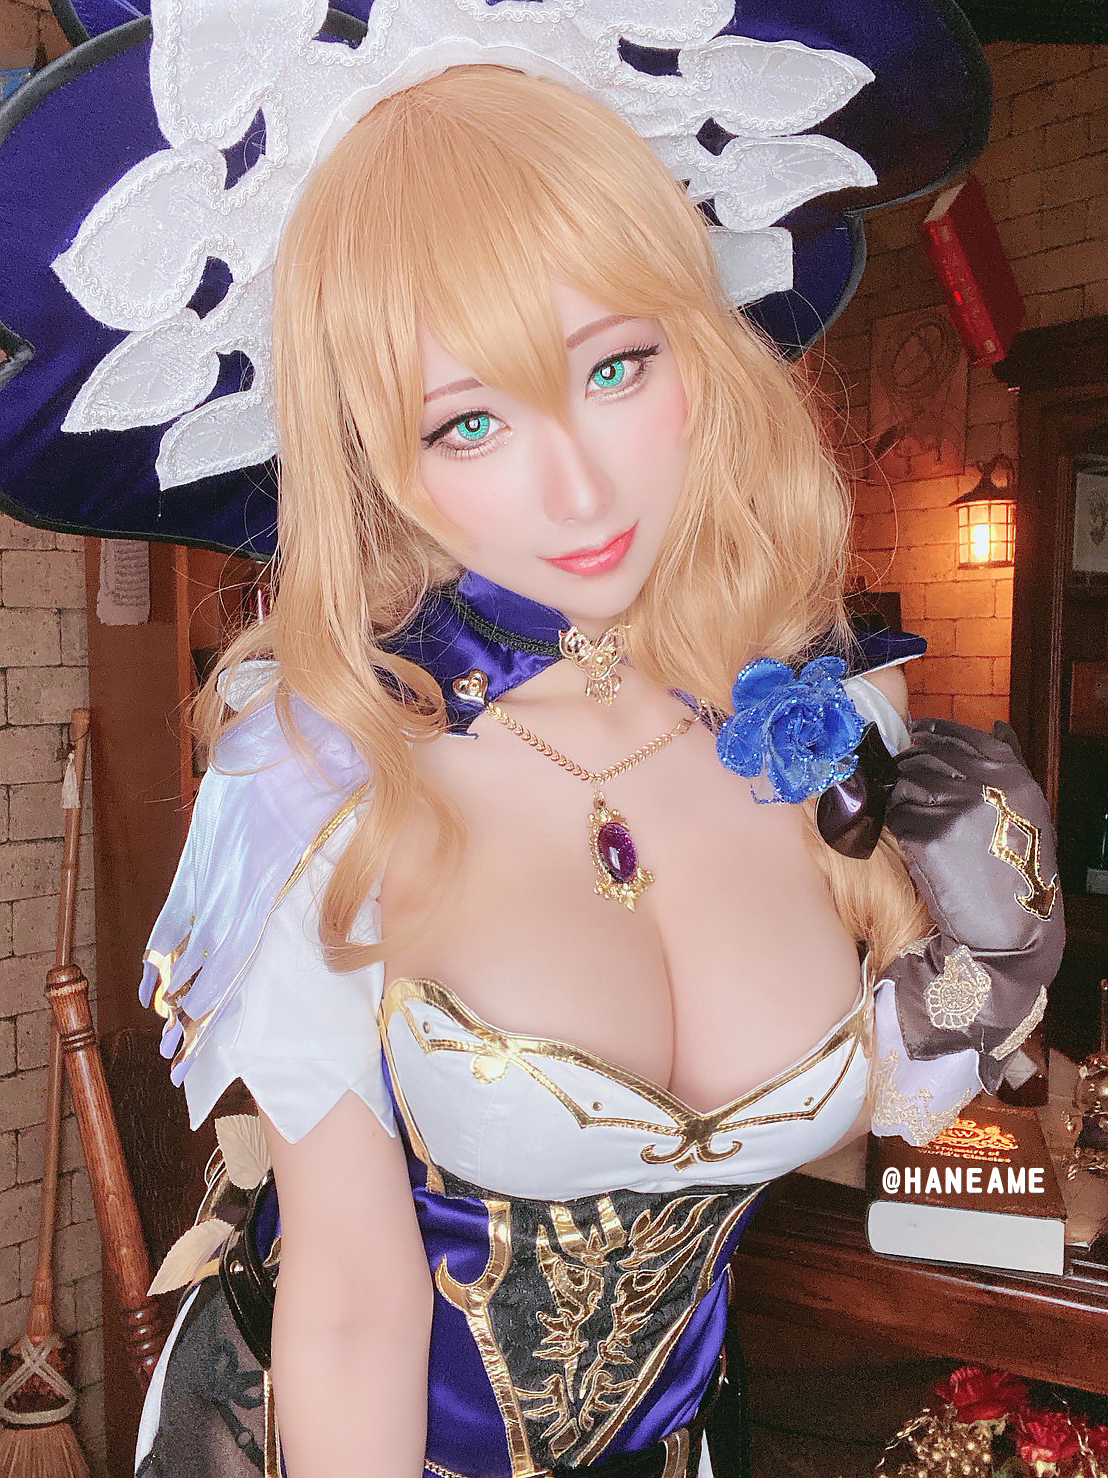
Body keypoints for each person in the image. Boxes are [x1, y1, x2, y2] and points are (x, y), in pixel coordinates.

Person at [0, 5, 1061, 1476]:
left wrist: (980, 973)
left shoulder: (819, 721)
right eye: (468, 424)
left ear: (699, 342)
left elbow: (816, 1122)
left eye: (616, 367)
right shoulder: (321, 776)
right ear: (371, 449)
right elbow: (355, 1306)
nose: (579, 492)